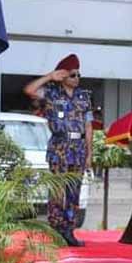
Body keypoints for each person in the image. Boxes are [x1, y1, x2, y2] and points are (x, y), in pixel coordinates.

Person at [24, 54, 93, 247]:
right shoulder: (51, 94)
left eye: (79, 74)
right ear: (62, 75)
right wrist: (49, 76)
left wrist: (90, 154)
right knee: (57, 192)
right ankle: (55, 231)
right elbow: (29, 90)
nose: (77, 78)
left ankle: (69, 231)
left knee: (73, 192)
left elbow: (88, 127)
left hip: (78, 149)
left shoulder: (84, 97)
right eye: (72, 74)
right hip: (59, 148)